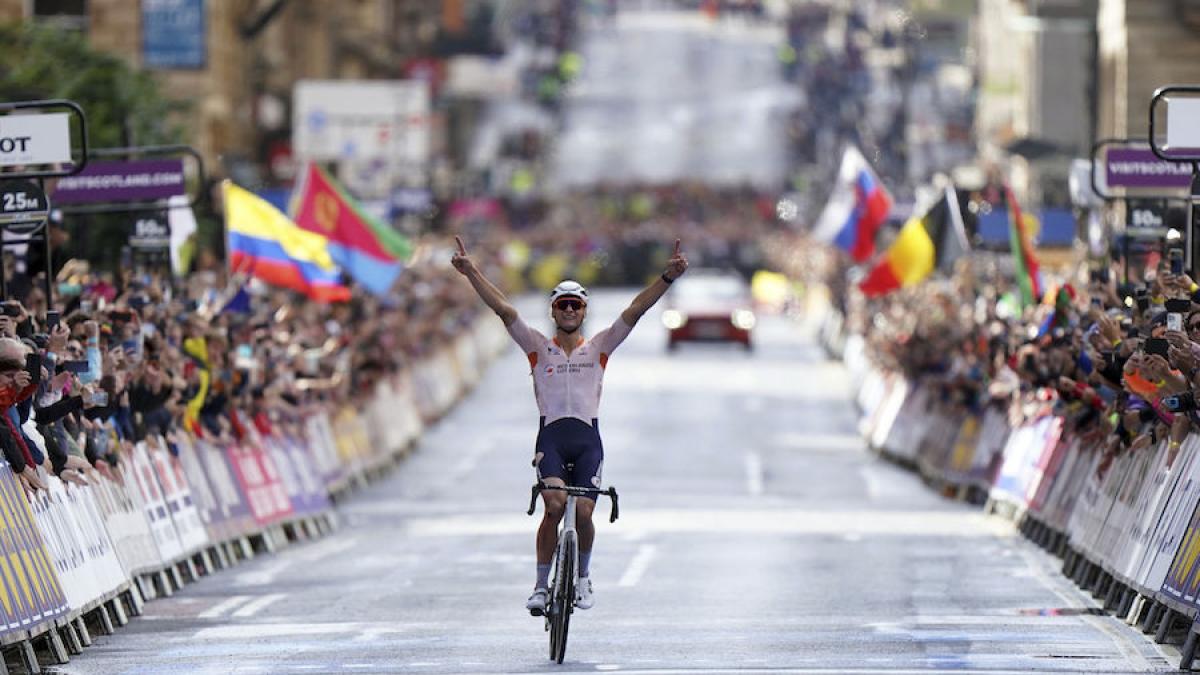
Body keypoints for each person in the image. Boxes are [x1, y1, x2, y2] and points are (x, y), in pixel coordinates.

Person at [451, 235, 688, 615]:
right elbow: (504, 310)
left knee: (583, 513)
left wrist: (667, 278)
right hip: (552, 439)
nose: (568, 311)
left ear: (584, 311)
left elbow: (635, 310)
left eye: (575, 305)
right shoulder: (536, 347)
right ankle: (542, 586)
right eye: (562, 305)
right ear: (552, 311)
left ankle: (583, 578)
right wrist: (471, 272)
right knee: (554, 505)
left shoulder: (598, 347)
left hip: (587, 440)